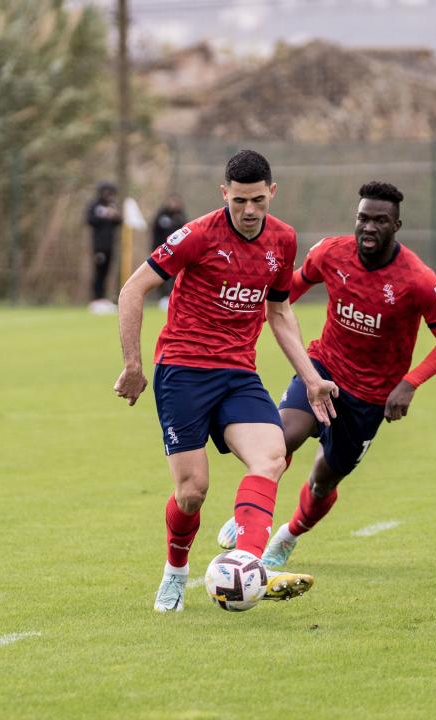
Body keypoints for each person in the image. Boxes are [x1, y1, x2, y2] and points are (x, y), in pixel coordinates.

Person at [113, 149, 339, 612]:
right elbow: (132, 289)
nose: (250, 211)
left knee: (273, 456)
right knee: (192, 492)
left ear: (272, 192)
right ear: (225, 195)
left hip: (237, 373)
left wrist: (311, 378)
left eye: (258, 200)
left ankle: (247, 564)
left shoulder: (283, 241)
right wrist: (134, 365)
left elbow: (278, 311)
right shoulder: (195, 236)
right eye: (240, 202)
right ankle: (175, 572)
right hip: (182, 373)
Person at [217, 181, 436, 568]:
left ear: (397, 225)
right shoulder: (331, 252)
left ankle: (288, 535)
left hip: (368, 398)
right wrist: (243, 322)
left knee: (321, 482)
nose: (369, 227)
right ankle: (250, 515)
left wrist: (409, 383)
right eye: (363, 218)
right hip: (322, 369)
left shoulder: (417, 279)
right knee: (280, 439)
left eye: (380, 221)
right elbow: (286, 293)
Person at [86, 181, 122, 313]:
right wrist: (104, 216)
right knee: (99, 272)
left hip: (110, 245)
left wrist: (115, 215)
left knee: (107, 272)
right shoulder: (94, 205)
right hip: (99, 245)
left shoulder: (112, 205)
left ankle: (103, 299)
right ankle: (96, 300)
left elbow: (119, 222)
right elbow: (89, 220)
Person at [151, 194, 187, 308]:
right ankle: (163, 297)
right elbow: (155, 232)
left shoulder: (181, 216)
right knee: (162, 274)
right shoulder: (161, 216)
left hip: (178, 252)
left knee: (176, 275)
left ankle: (174, 296)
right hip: (163, 251)